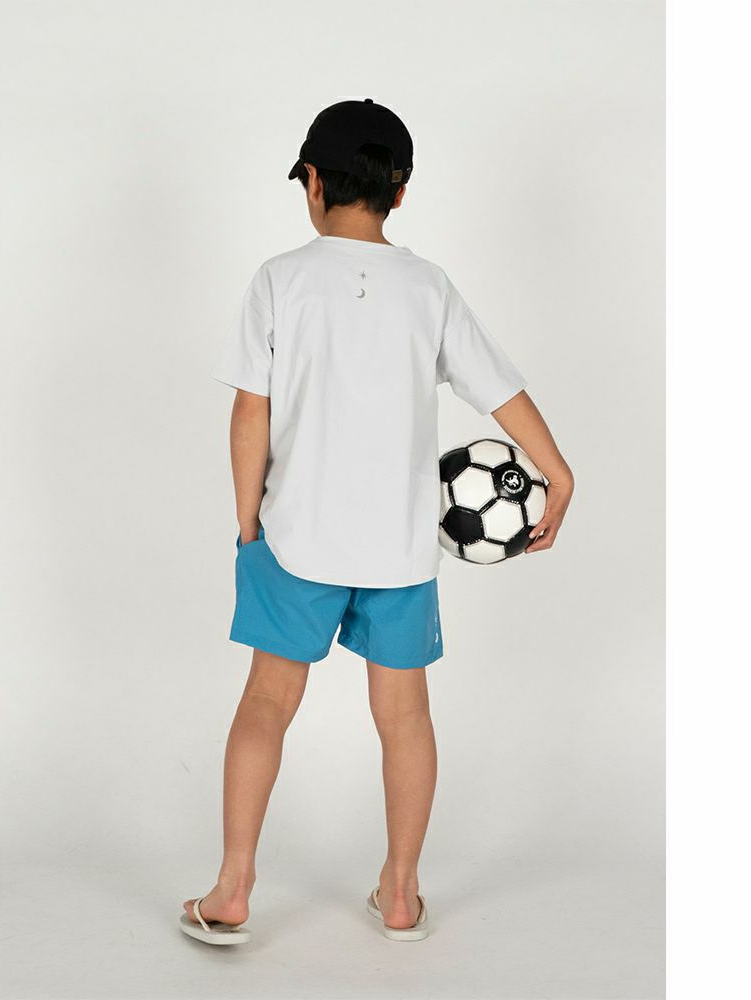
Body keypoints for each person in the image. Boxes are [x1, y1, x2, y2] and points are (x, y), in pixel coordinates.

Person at [180, 99, 574, 945]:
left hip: (296, 539)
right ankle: (400, 892)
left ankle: (233, 889)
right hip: (400, 548)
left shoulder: (280, 279)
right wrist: (557, 469)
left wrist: (248, 526)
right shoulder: (428, 287)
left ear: (313, 184)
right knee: (405, 717)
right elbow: (498, 389)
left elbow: (250, 412)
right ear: (400, 192)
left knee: (266, 703)